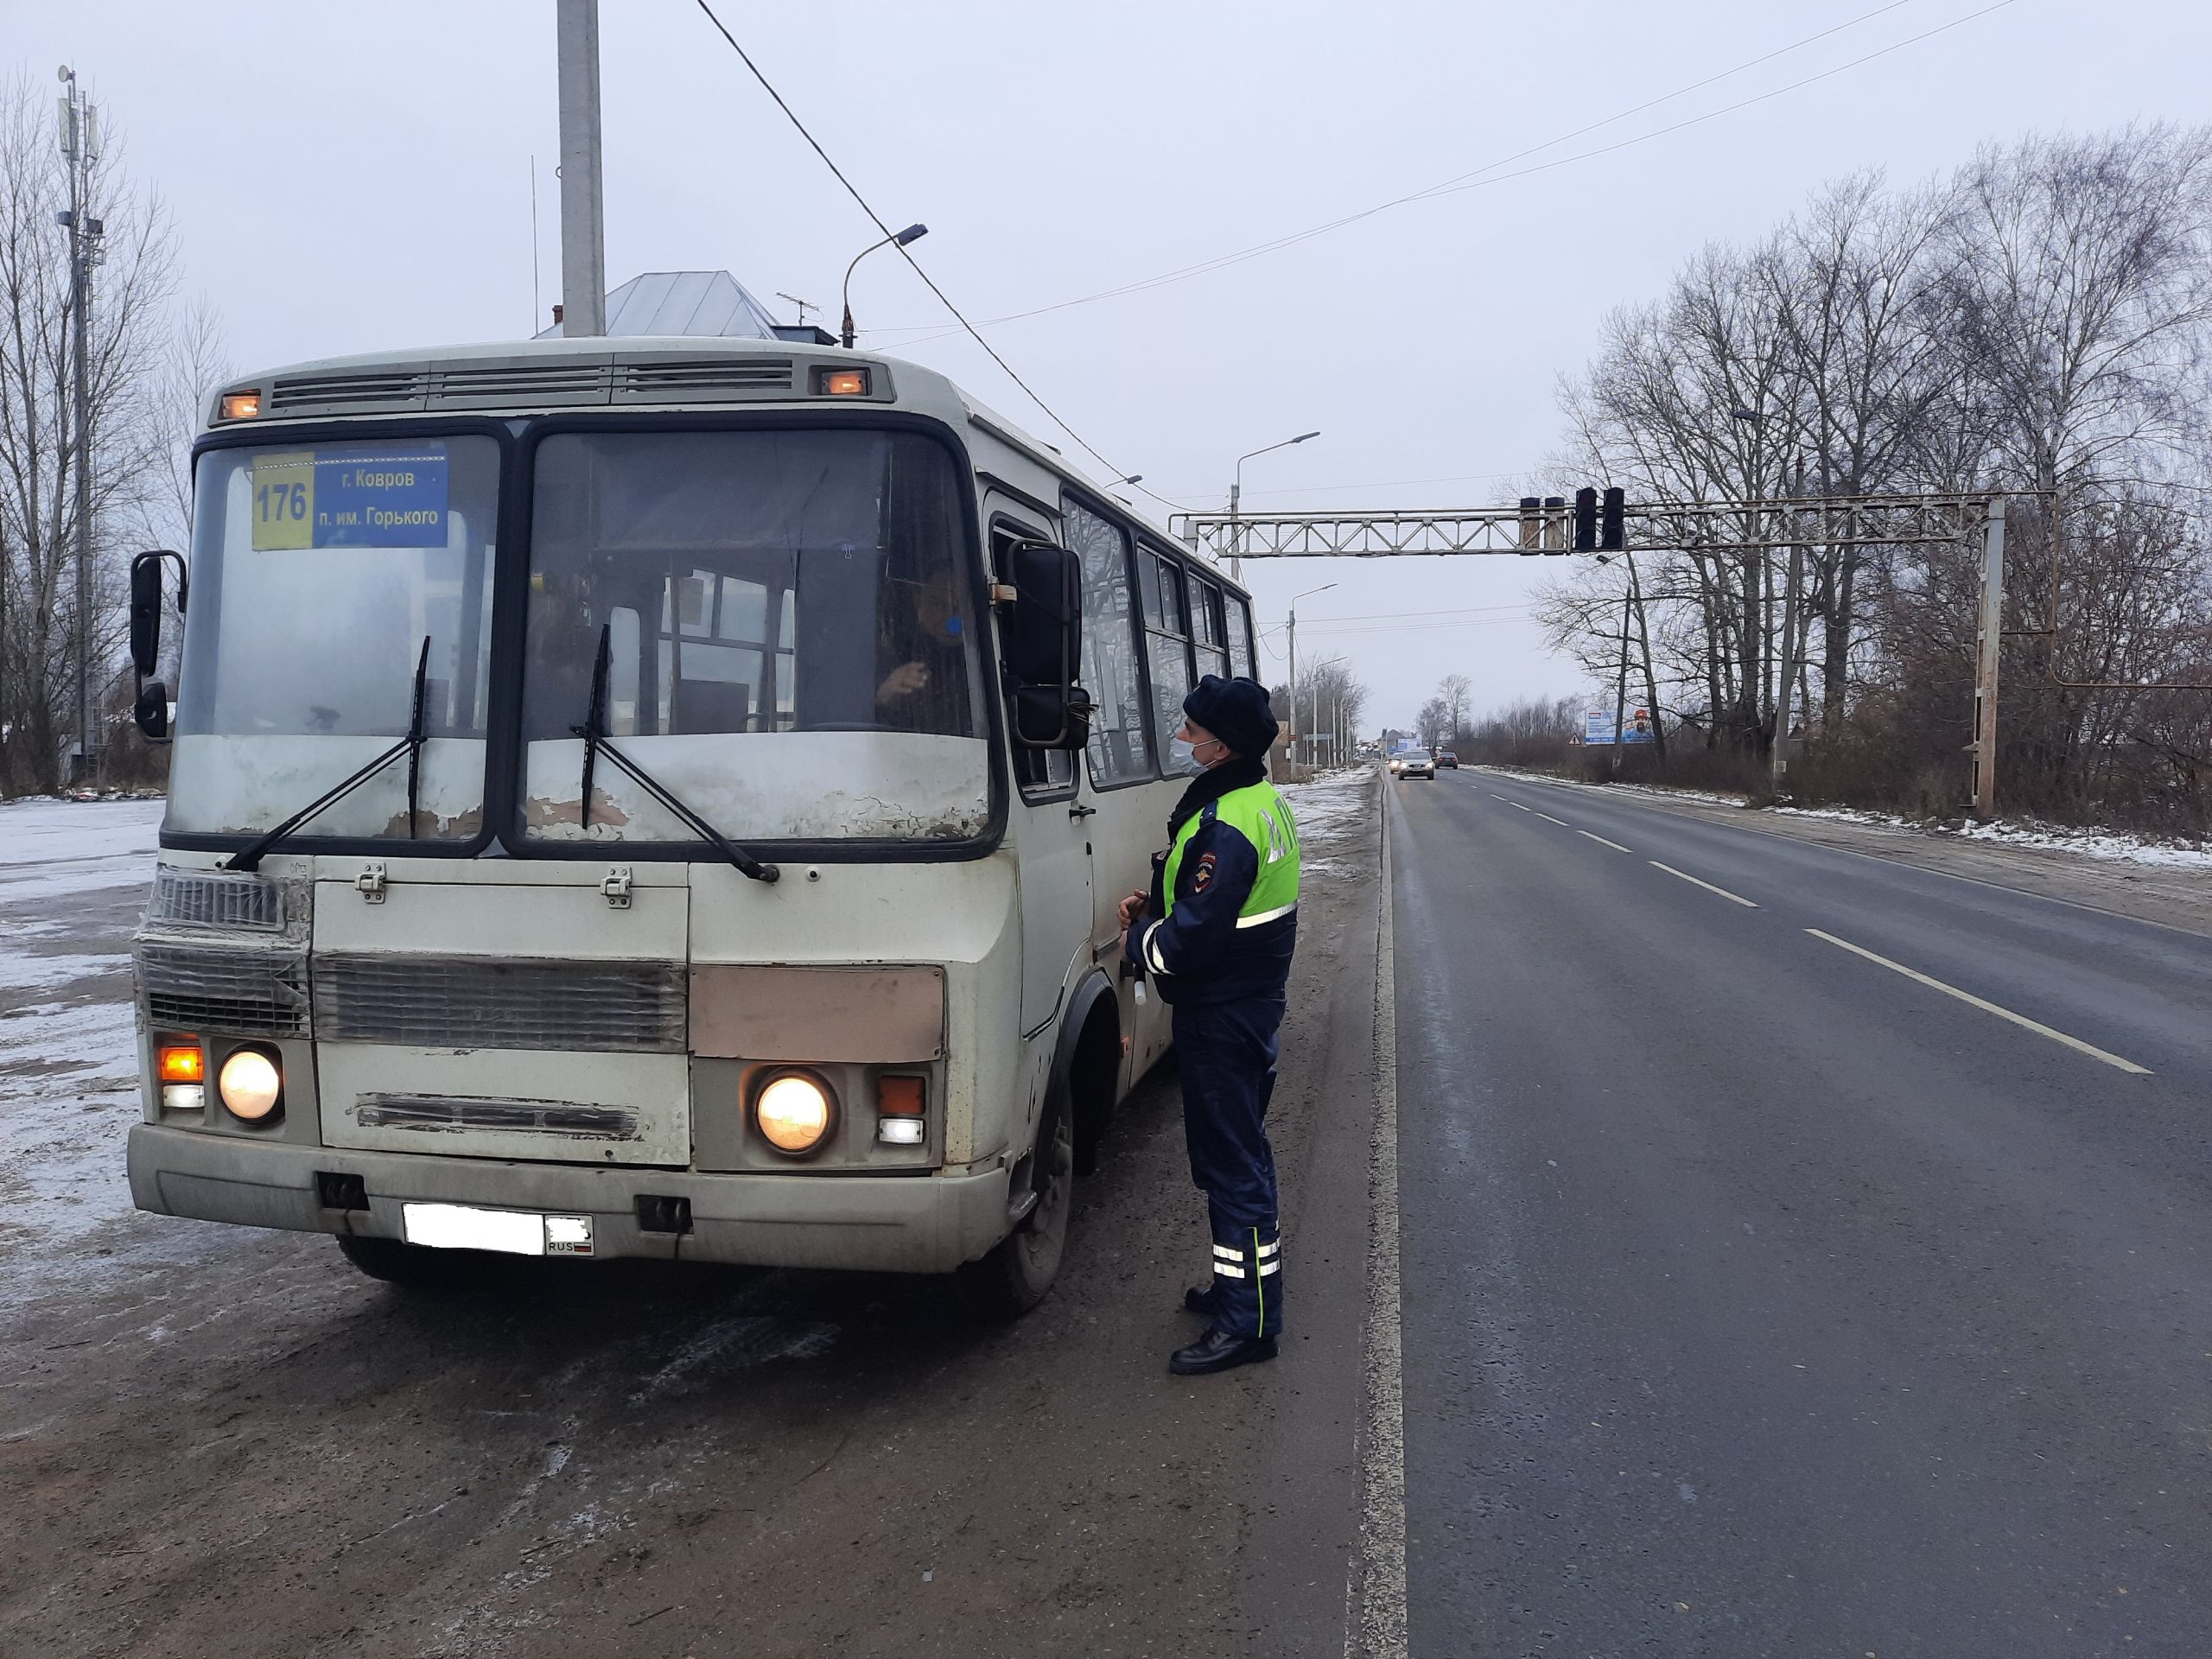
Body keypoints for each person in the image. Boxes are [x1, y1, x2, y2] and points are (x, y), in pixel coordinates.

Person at [1118, 675, 1300, 1376]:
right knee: (1236, 1153)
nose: (1184, 738)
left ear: (1223, 745)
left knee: (1234, 1165)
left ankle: (1249, 1324)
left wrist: (1139, 943)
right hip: (1247, 1003)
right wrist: (1162, 896)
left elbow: (1191, 940)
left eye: (1193, 730)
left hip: (1224, 1011)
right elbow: (1210, 887)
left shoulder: (1229, 822)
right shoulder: (1258, 802)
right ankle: (1240, 1288)